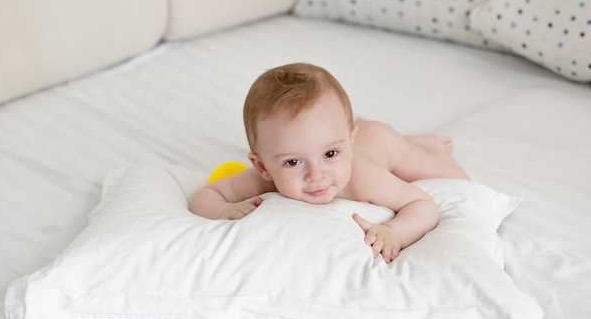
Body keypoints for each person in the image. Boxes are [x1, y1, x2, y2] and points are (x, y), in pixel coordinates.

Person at [189, 63, 469, 263]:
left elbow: (422, 205)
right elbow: (207, 195)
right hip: (356, 135)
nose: (317, 175)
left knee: (455, 177)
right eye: (294, 161)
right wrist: (224, 209)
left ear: (348, 143)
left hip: (382, 143)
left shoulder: (366, 178)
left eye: (331, 154)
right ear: (262, 166)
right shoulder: (260, 179)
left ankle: (417, 143)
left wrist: (395, 232)